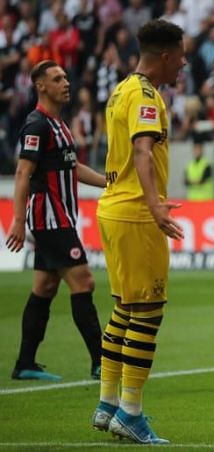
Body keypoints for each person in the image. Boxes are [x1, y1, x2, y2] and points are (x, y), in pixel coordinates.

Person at [91, 19, 186, 444]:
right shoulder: (146, 96)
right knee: (147, 313)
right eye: (180, 57)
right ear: (165, 56)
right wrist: (154, 206)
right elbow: (143, 150)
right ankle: (131, 411)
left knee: (124, 310)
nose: (183, 64)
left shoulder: (121, 89)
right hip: (134, 213)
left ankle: (108, 403)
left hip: (113, 208)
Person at [5, 60, 107, 382]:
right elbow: (23, 172)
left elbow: (72, 166)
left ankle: (25, 363)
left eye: (65, 76)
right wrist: (17, 220)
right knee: (84, 281)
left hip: (60, 217)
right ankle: (101, 362)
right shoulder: (36, 125)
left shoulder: (59, 125)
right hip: (49, 219)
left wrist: (109, 181)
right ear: (41, 86)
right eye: (57, 79)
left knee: (45, 286)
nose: (66, 82)